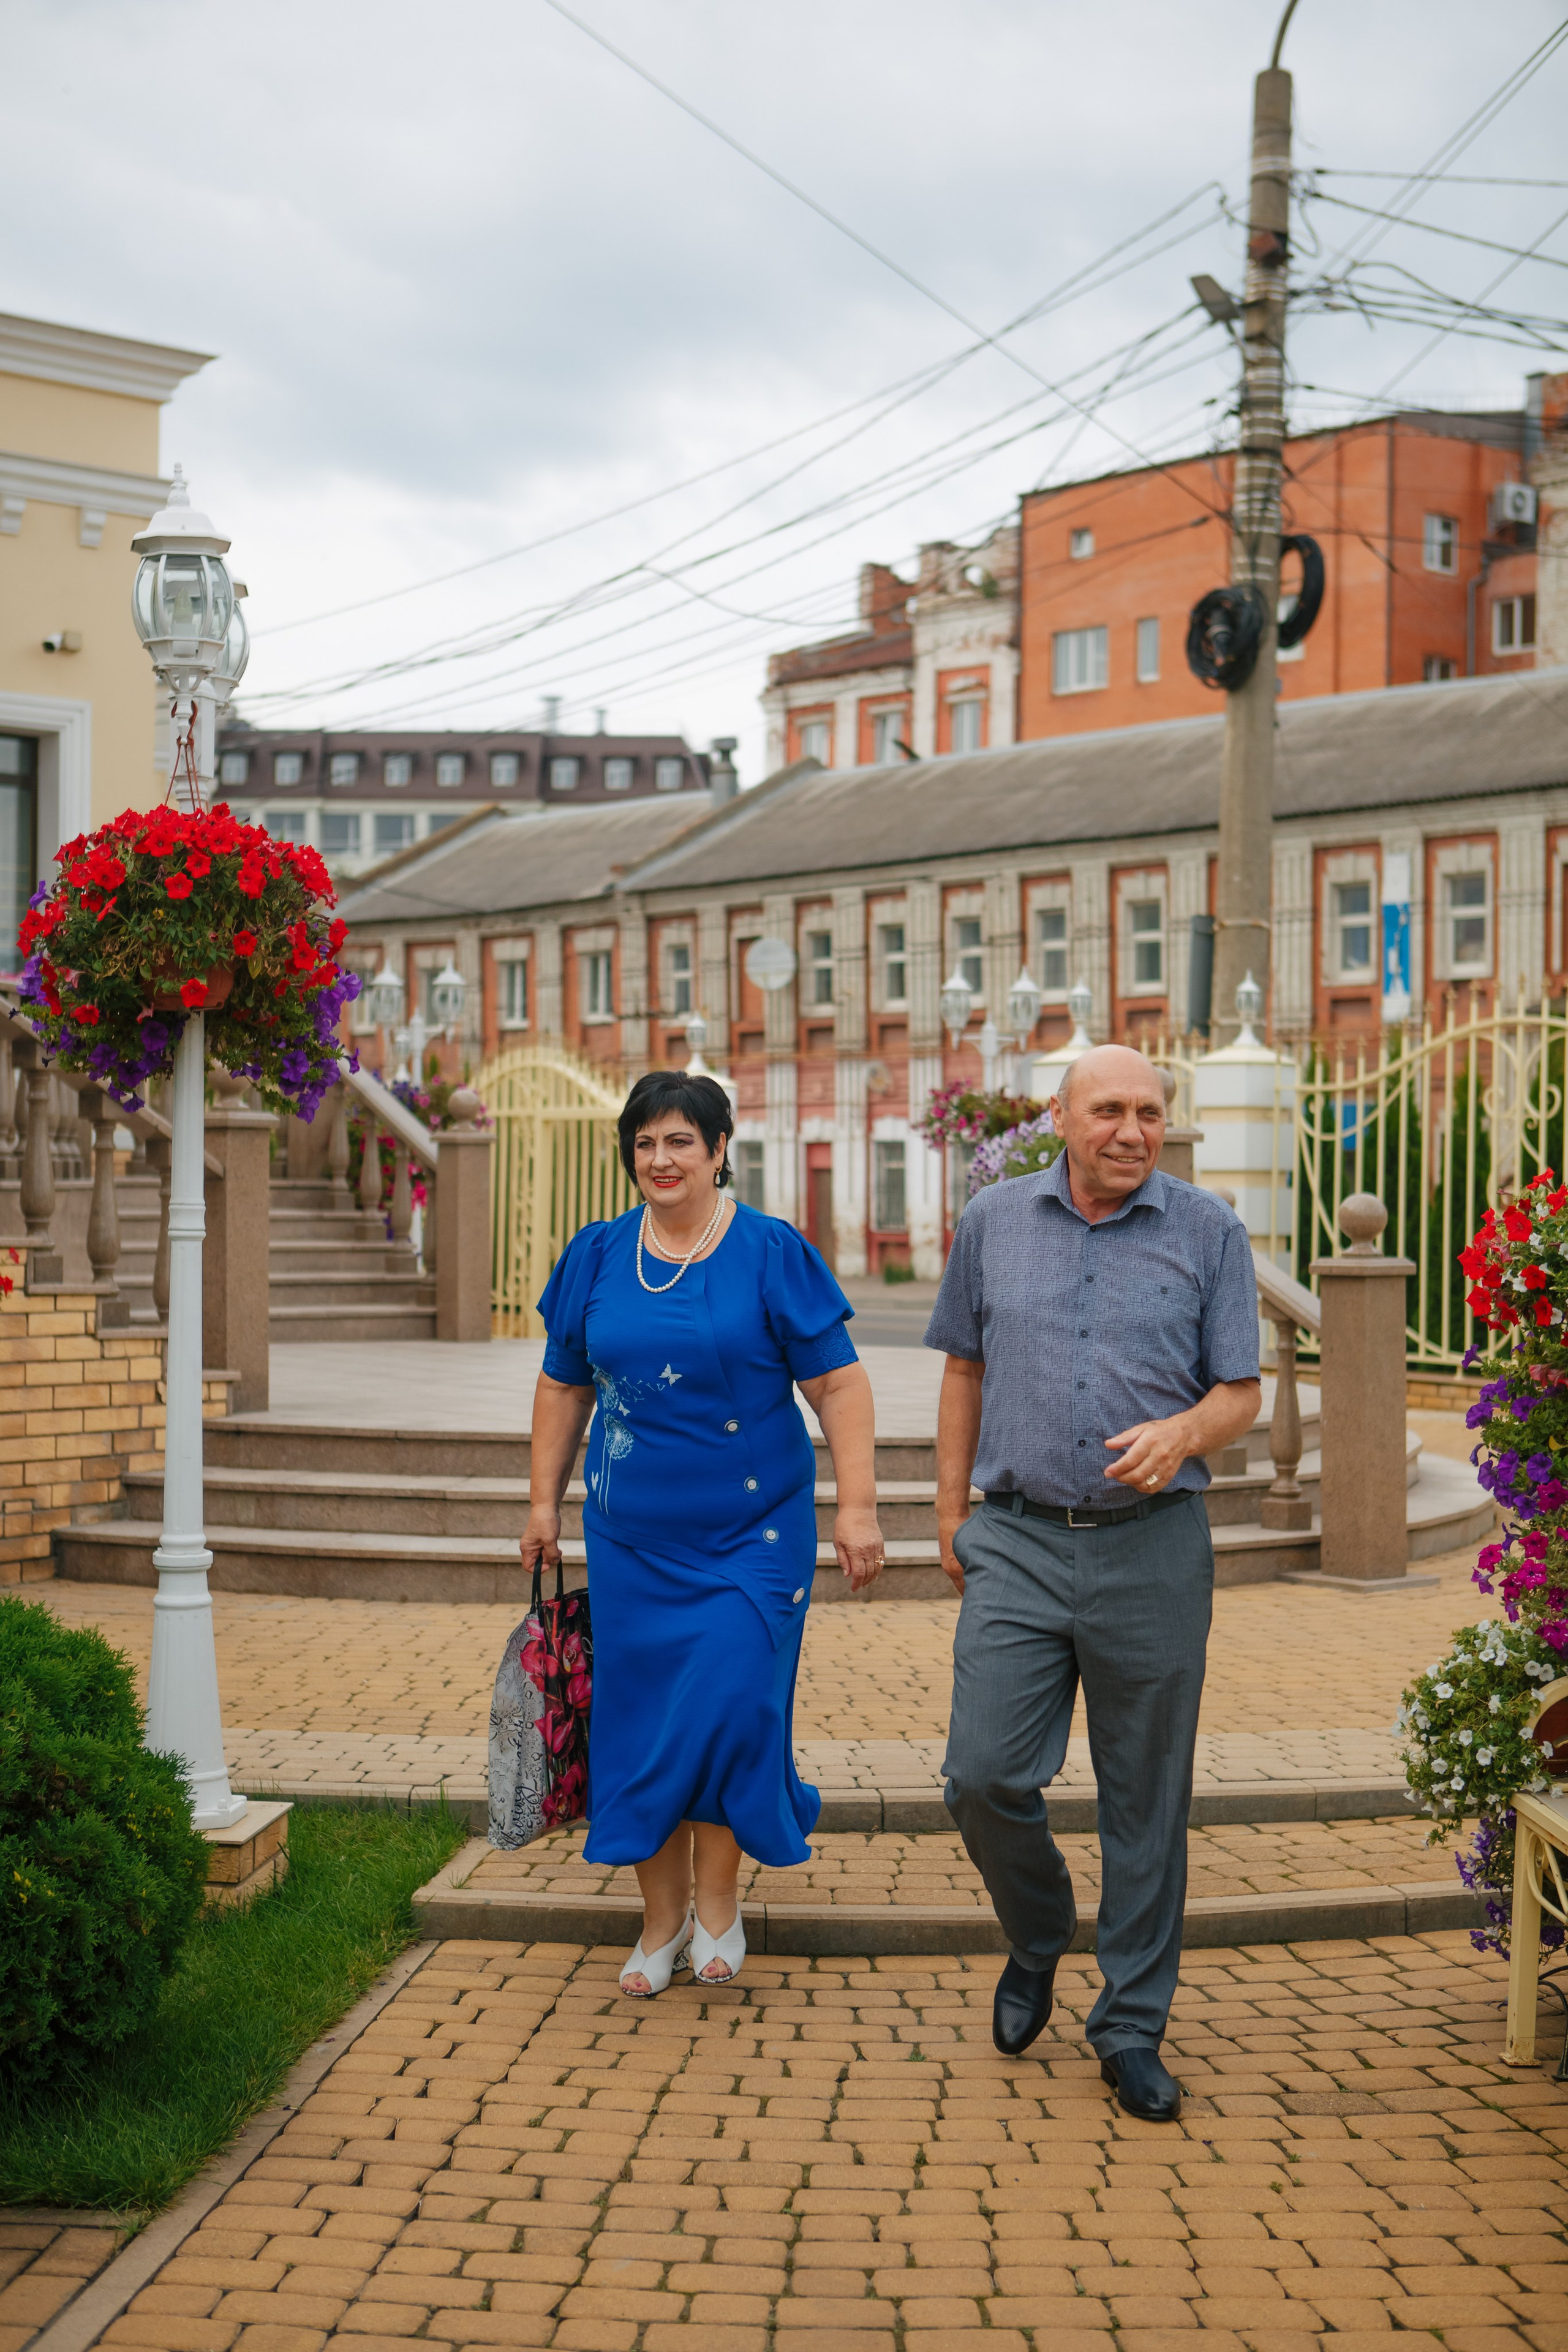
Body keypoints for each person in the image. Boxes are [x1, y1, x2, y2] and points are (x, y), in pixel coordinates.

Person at [925, 1042, 1261, 2122]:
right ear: (1061, 1118)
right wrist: (950, 1515)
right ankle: (1038, 1933)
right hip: (1018, 1539)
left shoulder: (1208, 1231)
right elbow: (964, 1367)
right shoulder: (993, 1221)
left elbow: (1241, 1391)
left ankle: (1130, 2027)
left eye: (1149, 1112)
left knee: (1146, 1800)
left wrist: (1185, 1432)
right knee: (981, 1775)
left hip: (1153, 1548)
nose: (1131, 1130)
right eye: (1109, 1109)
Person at [521, 1069, 883, 1998]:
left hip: (753, 1538)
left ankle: (717, 1905)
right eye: (645, 1142)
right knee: (644, 1725)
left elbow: (837, 1383)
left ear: (720, 1150)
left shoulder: (769, 1250)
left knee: (728, 1709)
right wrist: (542, 1504)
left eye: (681, 1140)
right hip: (631, 1539)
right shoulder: (599, 1253)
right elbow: (564, 1382)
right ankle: (662, 1916)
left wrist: (857, 1506)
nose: (661, 1158)